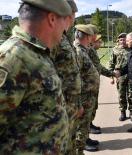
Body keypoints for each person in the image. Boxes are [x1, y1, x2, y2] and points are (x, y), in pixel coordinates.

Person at [0, 0, 72, 154]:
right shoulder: (13, 57)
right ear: (52, 19)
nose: (65, 29)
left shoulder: (36, 52)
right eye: (64, 20)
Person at [52, 0, 83, 154]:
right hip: (61, 106)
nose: (73, 20)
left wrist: (77, 104)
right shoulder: (55, 39)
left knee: (70, 143)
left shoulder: (64, 38)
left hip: (71, 105)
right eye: (72, 16)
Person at [73, 24, 100, 153]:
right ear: (88, 36)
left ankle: (82, 145)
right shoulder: (78, 51)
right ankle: (79, 149)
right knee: (81, 126)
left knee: (84, 125)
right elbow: (75, 77)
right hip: (83, 96)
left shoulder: (83, 50)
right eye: (92, 35)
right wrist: (78, 102)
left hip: (88, 95)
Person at [87, 24, 114, 134]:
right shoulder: (89, 50)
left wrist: (111, 73)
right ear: (93, 42)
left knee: (92, 107)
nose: (100, 43)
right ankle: (86, 131)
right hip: (88, 86)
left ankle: (90, 124)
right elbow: (99, 68)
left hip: (92, 84)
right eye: (99, 41)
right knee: (88, 108)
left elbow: (99, 67)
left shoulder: (91, 51)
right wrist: (112, 73)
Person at [109, 33, 132, 121]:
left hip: (131, 75)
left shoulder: (131, 49)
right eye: (121, 40)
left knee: (131, 95)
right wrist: (111, 76)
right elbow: (111, 63)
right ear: (118, 41)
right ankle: (122, 112)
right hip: (120, 75)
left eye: (124, 39)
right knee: (121, 95)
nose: (122, 41)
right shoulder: (115, 50)